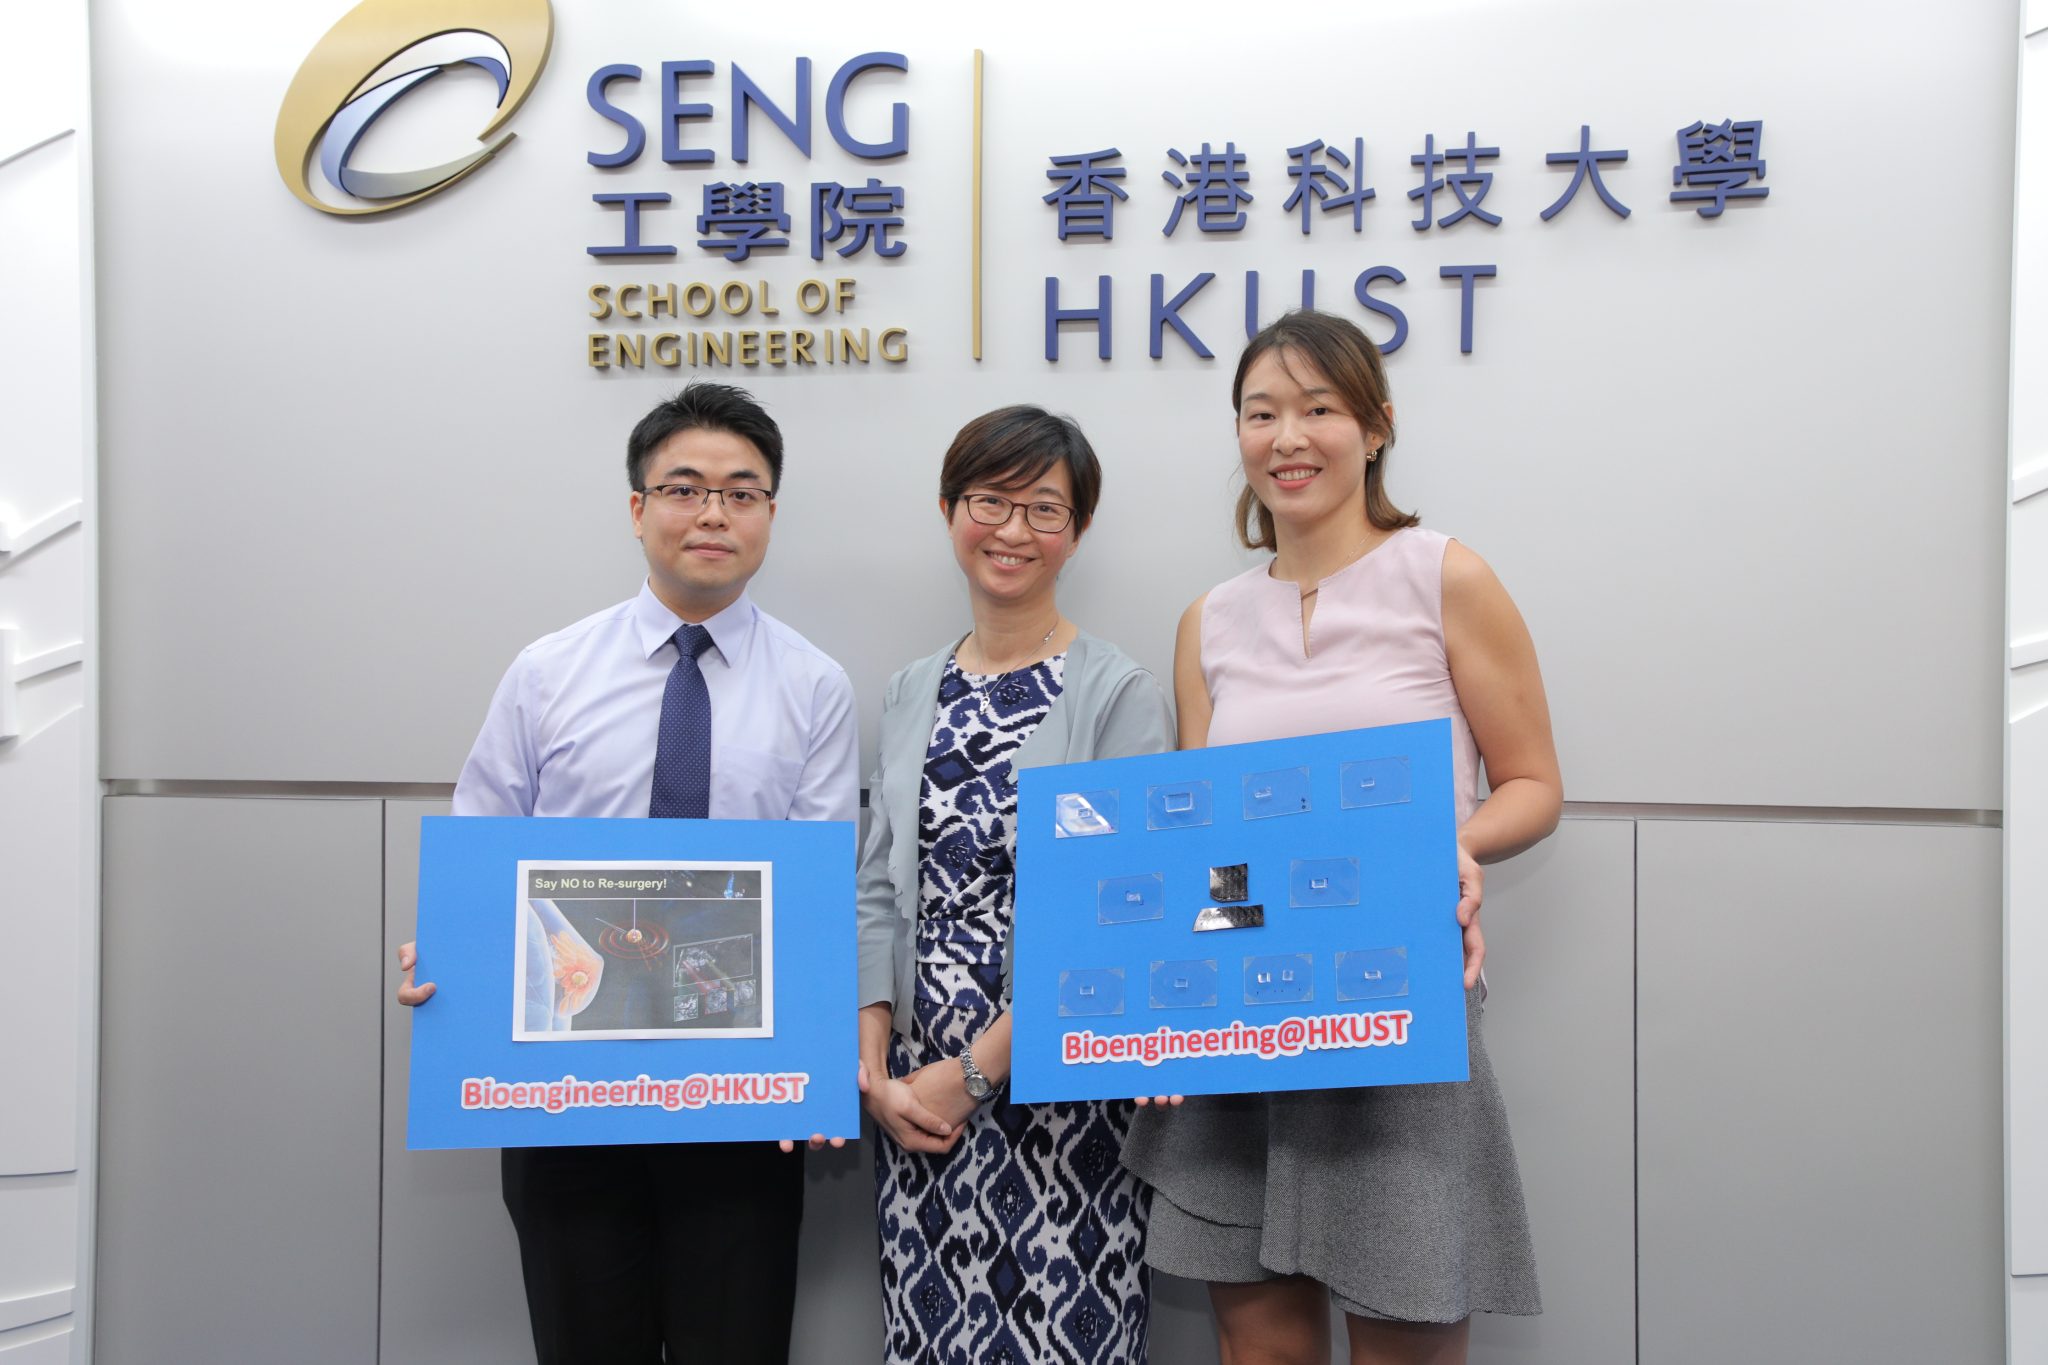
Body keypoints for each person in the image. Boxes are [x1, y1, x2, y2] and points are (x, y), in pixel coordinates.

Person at [1119, 310, 1563, 1365]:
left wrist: (1455, 843)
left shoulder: (1442, 574)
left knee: (1403, 1339)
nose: (1287, 437)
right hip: (1239, 1023)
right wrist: (1159, 999)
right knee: (1259, 1352)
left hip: (1392, 1015)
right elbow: (1203, 843)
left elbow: (1534, 785)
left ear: (1374, 428)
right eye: (1260, 412)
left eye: (1318, 408)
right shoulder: (1206, 621)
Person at [396, 381, 859, 1365]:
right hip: (563, 1098)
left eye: (742, 492)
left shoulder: (815, 687)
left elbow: (823, 896)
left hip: (741, 1104)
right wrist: (446, 960)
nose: (712, 513)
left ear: (770, 515)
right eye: (684, 488)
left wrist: (817, 1066)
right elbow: (482, 856)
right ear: (637, 507)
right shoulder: (548, 671)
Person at [854, 406, 1173, 1365]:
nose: (1013, 531)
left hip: (1060, 1101)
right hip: (918, 1110)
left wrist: (978, 1074)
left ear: (1075, 533)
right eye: (990, 501)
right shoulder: (912, 687)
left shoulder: (1117, 693)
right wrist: (877, 1070)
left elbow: (1113, 918)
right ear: (951, 509)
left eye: (1045, 508)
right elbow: (877, 882)